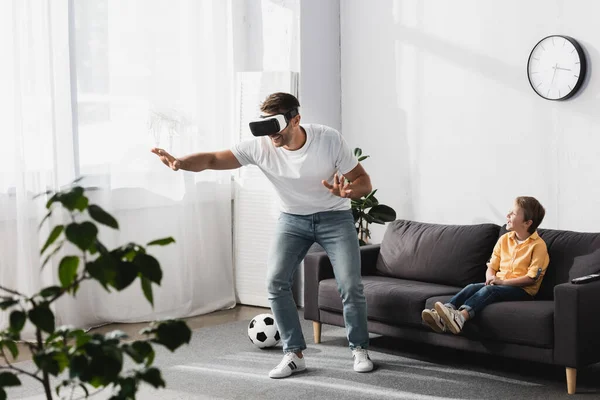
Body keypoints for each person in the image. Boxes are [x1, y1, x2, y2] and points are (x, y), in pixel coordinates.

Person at [151, 92, 374, 378]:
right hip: (292, 219)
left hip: (335, 217)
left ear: (296, 120)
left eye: (276, 125)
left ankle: (359, 348)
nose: (271, 135)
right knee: (275, 282)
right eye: (265, 126)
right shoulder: (261, 147)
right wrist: (180, 162)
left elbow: (363, 182)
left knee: (350, 284)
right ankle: (294, 353)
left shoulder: (328, 140)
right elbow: (212, 159)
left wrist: (348, 191)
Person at [421, 196, 549, 335]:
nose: (507, 215)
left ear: (527, 223)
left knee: (489, 291)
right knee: (472, 287)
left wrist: (503, 282)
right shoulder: (504, 239)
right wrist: (491, 277)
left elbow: (531, 278)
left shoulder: (538, 246)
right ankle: (444, 314)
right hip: (500, 284)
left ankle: (461, 317)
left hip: (523, 291)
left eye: (513, 214)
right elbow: (492, 266)